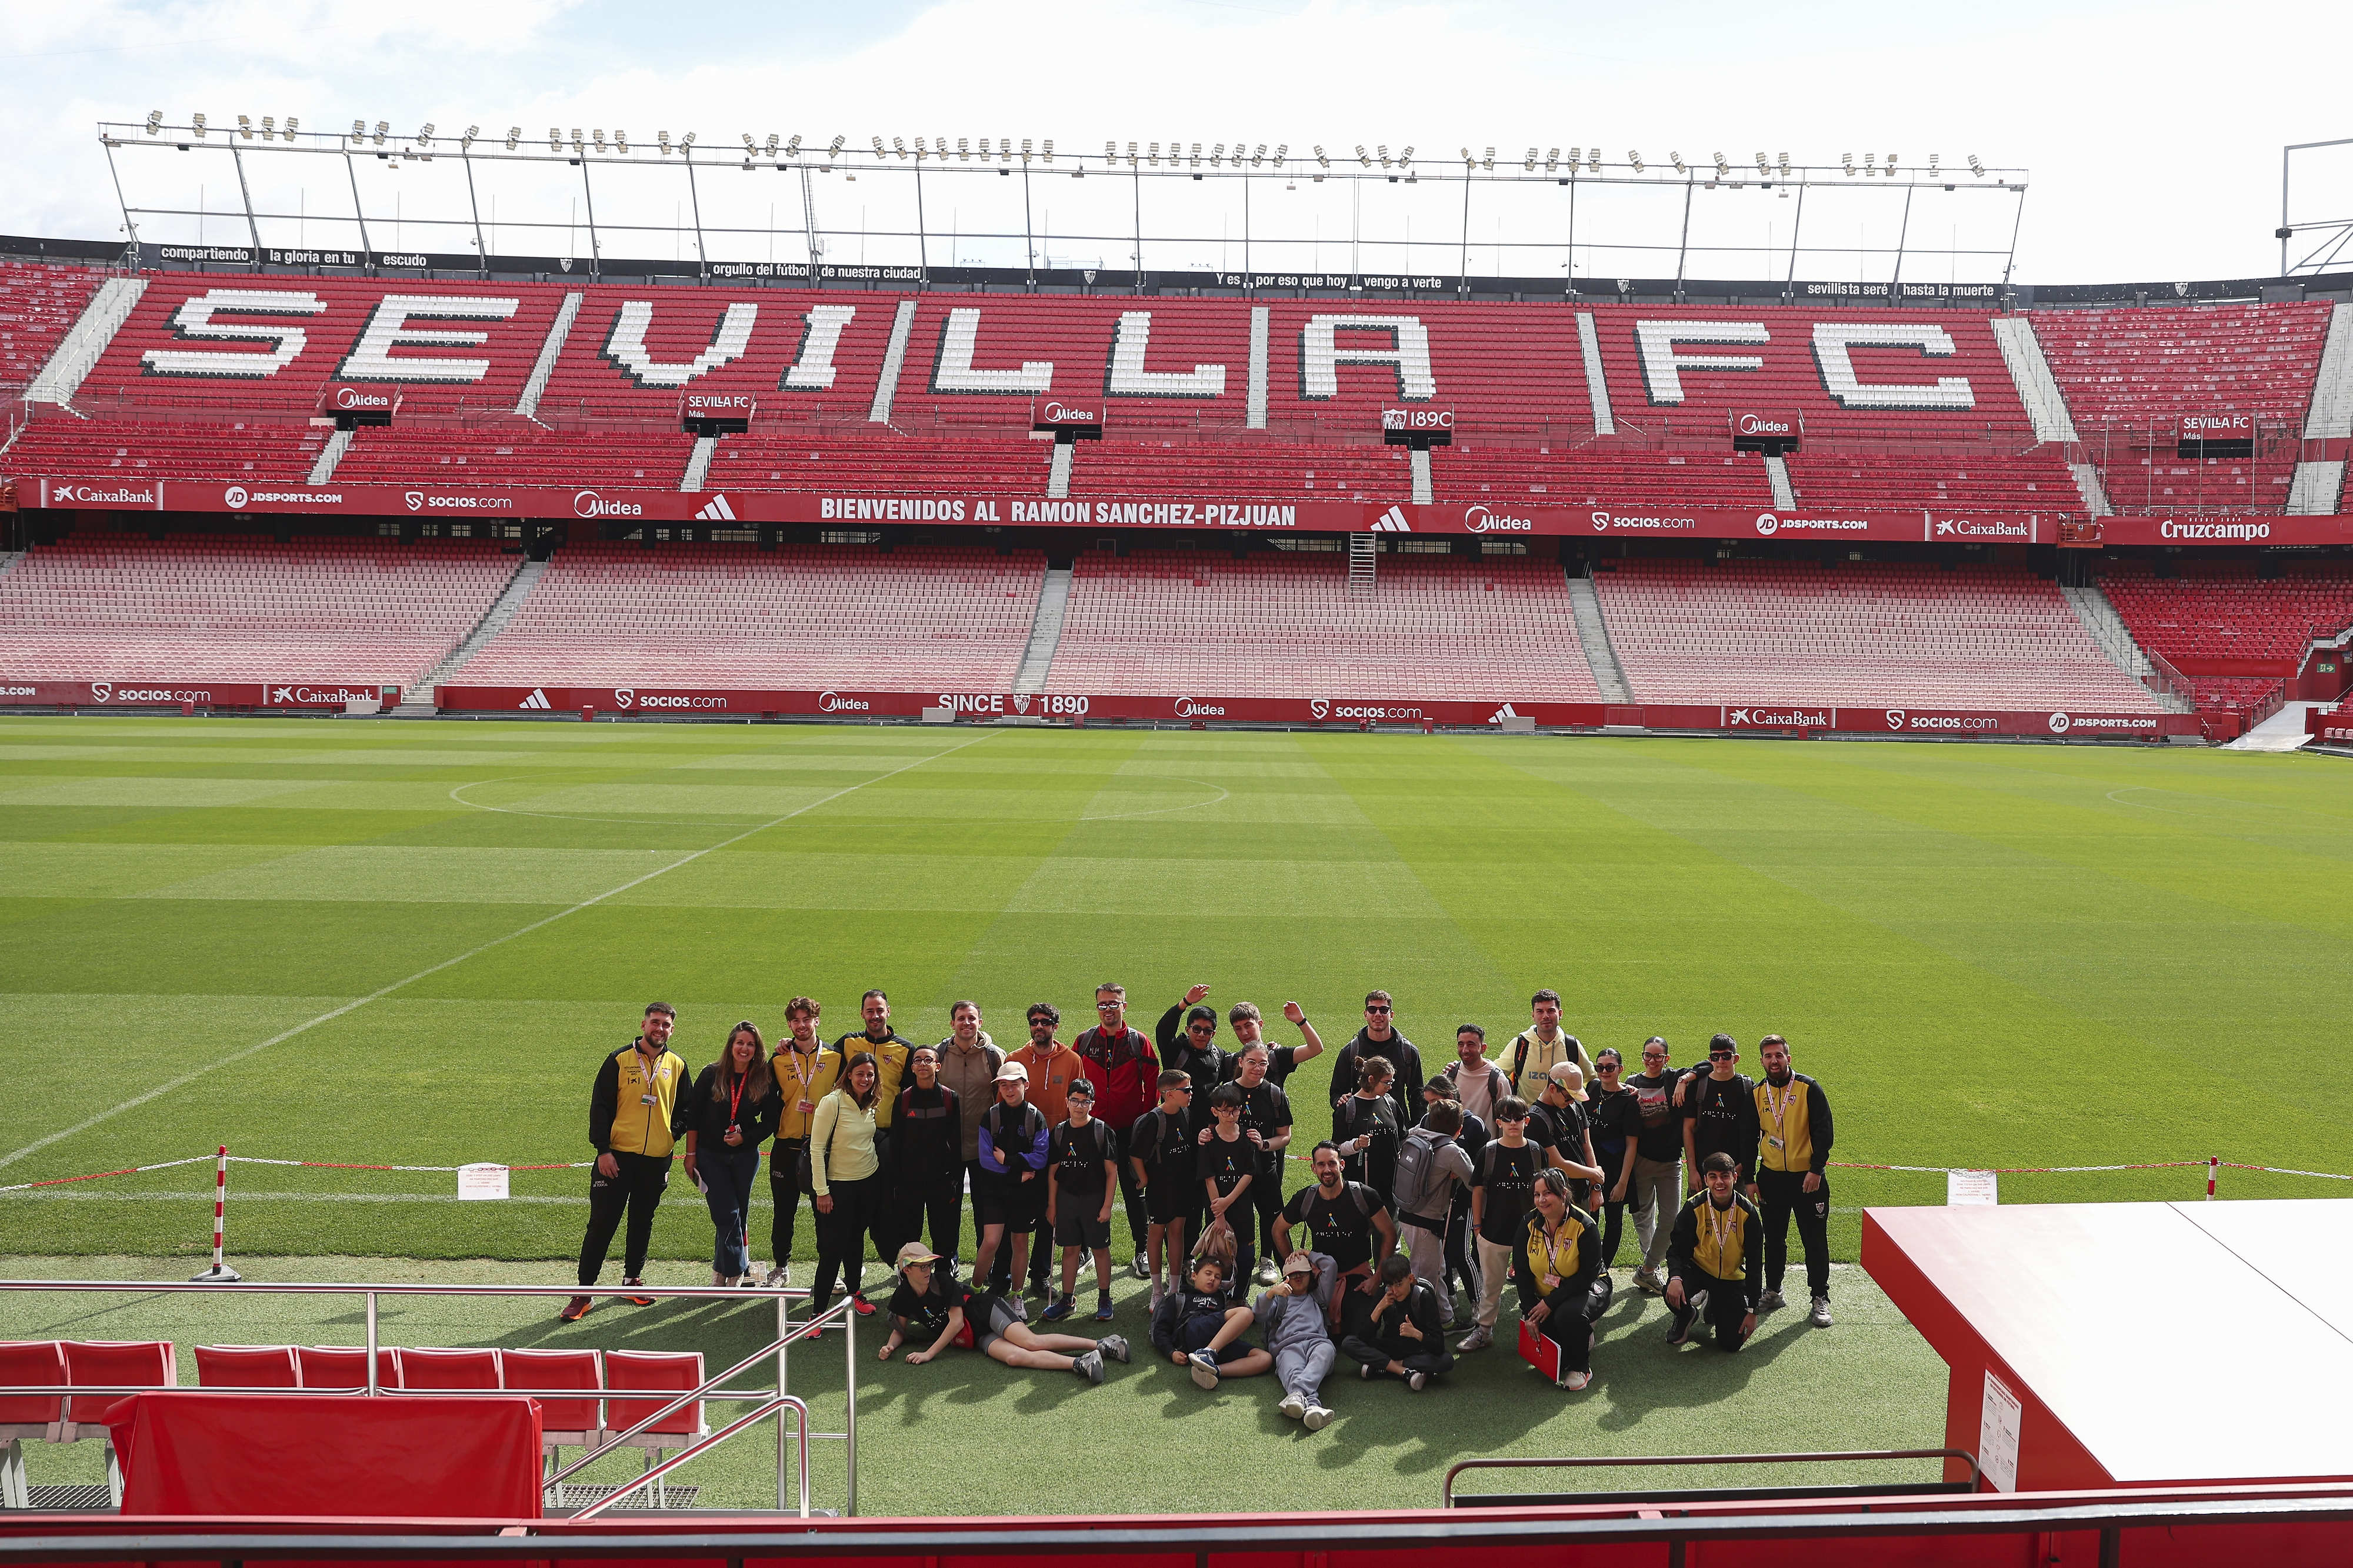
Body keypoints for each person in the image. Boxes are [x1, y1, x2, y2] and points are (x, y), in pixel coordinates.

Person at [564, 1003, 690, 1322]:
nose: (660, 1029)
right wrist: (603, 1150)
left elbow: (686, 1110)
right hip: (617, 1159)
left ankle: (632, 1278)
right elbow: (600, 1106)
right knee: (602, 1224)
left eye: (666, 1025)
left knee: (642, 1221)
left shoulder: (677, 1065)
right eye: (655, 1023)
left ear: (672, 1030)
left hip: (656, 1160)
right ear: (644, 1024)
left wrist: (670, 1136)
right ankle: (584, 1292)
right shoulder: (619, 1060)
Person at [878, 1243, 1128, 1384]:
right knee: (1014, 1358)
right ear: (906, 1270)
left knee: (1031, 1341)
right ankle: (1080, 1363)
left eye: (929, 1265)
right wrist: (890, 1347)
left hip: (985, 1311)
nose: (928, 1271)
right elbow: (899, 1328)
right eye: (922, 1267)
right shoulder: (903, 1296)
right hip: (975, 1336)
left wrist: (928, 1354)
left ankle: (1104, 1344)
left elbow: (955, 1323)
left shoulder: (942, 1280)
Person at [681, 1020, 780, 1287]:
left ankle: (721, 1269)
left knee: (738, 1213)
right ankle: (737, 1269)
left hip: (746, 1157)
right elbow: (693, 1118)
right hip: (710, 1155)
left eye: (751, 1044)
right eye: (740, 1043)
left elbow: (771, 1121)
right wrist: (690, 1156)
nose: (744, 1049)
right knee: (727, 1213)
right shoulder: (711, 1074)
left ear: (757, 1049)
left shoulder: (763, 1078)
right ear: (731, 1045)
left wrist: (745, 1138)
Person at [1074, 983, 1161, 1277]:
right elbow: (1075, 1081)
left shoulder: (1139, 1042)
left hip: (1129, 1131)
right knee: (1090, 1191)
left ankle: (1142, 1251)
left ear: (1125, 1006)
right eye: (1103, 1005)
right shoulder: (1084, 1040)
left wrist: (1143, 1122)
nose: (1108, 1009)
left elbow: (1153, 1083)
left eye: (1114, 1004)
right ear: (1096, 1007)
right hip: (1093, 1130)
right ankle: (1088, 1249)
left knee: (1136, 1191)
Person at [1752, 1034, 1835, 1329]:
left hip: (1807, 1180)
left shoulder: (1809, 1088)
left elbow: (1825, 1131)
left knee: (1814, 1240)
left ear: (1789, 1057)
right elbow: (1749, 1138)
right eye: (1768, 1056)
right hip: (1771, 1179)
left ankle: (1820, 1297)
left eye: (1779, 1055)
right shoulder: (1757, 1092)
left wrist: (1816, 1170)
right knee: (1773, 1238)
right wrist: (1750, 1179)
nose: (1774, 1061)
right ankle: (1774, 1291)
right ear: (1761, 1060)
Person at [1006, 1003, 1085, 1297]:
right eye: (1034, 1022)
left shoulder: (1072, 1059)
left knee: (1050, 1213)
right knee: (1018, 1212)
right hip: (1024, 1148)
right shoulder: (1016, 1059)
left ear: (1056, 1025)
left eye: (1046, 1022)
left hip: (1059, 1146)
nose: (1039, 1027)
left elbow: (1078, 1101)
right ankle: (1006, 1272)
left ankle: (1040, 1274)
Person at [762, 997, 838, 1289]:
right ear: (789, 1025)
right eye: (795, 1021)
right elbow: (769, 1101)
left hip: (822, 1147)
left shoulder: (835, 1056)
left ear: (817, 1021)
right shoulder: (779, 1059)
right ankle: (780, 1267)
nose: (801, 1026)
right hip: (786, 1145)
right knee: (783, 1211)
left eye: (807, 1019)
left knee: (825, 1212)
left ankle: (828, 1271)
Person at [1459, 1095, 1545, 1353]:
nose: (1513, 1123)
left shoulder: (1535, 1151)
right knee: (1491, 1286)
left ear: (1526, 1121)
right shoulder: (1489, 1151)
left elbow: (1546, 1191)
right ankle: (1484, 1331)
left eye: (1518, 1118)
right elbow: (1477, 1190)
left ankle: (1540, 1330)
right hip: (1493, 1232)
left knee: (1537, 1284)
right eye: (1507, 1119)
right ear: (1498, 1122)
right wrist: (1477, 1228)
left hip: (1531, 1234)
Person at [809, 1051, 886, 1329]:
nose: (865, 1079)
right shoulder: (833, 1102)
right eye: (860, 1073)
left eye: (870, 1074)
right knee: (831, 1250)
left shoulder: (872, 1102)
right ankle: (816, 1315)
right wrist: (822, 1191)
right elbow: (816, 1149)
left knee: (855, 1242)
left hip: (867, 1183)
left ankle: (855, 1294)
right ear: (849, 1075)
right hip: (837, 1188)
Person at [1274, 1142, 1398, 1313]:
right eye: (1321, 1164)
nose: (1327, 1170)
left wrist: (1378, 1278)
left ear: (1342, 1165)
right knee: (1310, 1326)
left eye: (1332, 1163)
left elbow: (1389, 1232)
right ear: (1313, 1168)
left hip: (1358, 1277)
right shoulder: (1305, 1198)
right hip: (1320, 1276)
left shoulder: (1364, 1195)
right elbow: (1278, 1230)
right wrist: (1295, 1268)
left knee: (1361, 1330)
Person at [1513, 1168, 1607, 1390]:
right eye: (1537, 1195)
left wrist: (1549, 1303)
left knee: (1567, 1316)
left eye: (1548, 1193)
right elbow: (1523, 1272)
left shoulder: (1585, 1225)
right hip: (1550, 1292)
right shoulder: (1528, 1224)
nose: (1541, 1200)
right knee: (1550, 1342)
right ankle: (1583, 1337)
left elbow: (1587, 1276)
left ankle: (1582, 1368)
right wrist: (1529, 1311)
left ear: (1563, 1193)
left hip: (1588, 1286)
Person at [1666, 1152, 1764, 1352]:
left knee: (1731, 1344)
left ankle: (1716, 1303)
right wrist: (1676, 1278)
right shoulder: (1694, 1207)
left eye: (1725, 1176)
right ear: (1706, 1180)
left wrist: (1753, 1310)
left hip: (1731, 1278)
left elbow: (1755, 1265)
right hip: (1699, 1271)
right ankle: (1687, 1315)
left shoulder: (1749, 1214)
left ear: (1735, 1178)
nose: (1719, 1182)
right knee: (1670, 1290)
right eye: (1713, 1176)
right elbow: (1677, 1249)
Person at [1392, 1099, 1474, 1327]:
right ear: (1459, 1129)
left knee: (1435, 1269)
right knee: (1427, 1276)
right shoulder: (1452, 1152)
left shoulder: (1415, 1135)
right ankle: (1432, 1321)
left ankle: (1443, 1318)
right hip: (1426, 1221)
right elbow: (1474, 1181)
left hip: (1407, 1212)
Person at [972, 1060, 1050, 1297]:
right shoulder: (991, 1116)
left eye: (1014, 1084)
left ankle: (1017, 1296)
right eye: (1004, 1085)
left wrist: (1008, 1160)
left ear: (1025, 1085)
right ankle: (973, 1292)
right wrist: (1018, 1174)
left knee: (1020, 1244)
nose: (1009, 1090)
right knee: (990, 1242)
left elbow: (1040, 1158)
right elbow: (987, 1160)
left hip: (1023, 1195)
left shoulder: (1036, 1117)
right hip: (998, 1191)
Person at [1225, 1031, 1297, 1285]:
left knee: (1271, 1216)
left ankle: (1268, 1260)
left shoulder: (1275, 1094)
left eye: (1263, 1063)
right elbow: (1213, 1129)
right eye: (1253, 1062)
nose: (1258, 1068)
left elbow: (1285, 1136)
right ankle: (1231, 1265)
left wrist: (1264, 1144)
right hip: (1232, 1170)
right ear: (1241, 1062)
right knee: (1237, 1218)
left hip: (1265, 1167)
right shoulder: (1226, 1092)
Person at [1044, 1078, 1119, 1323]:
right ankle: (1067, 1300)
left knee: (1099, 1249)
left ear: (1092, 1104)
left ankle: (1104, 1298)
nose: (1079, 1106)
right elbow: (1053, 1173)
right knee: (1070, 1249)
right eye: (1075, 1101)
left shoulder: (1102, 1130)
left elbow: (1111, 1172)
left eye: (1085, 1102)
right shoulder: (1059, 1131)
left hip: (1094, 1200)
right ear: (1067, 1102)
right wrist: (1052, 1205)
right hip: (1067, 1200)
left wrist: (1107, 1205)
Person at [937, 1005, 1005, 1256]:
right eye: (961, 1019)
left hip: (983, 1148)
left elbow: (1003, 1099)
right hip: (948, 1148)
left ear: (981, 1022)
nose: (967, 1023)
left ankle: (985, 1259)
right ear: (952, 1023)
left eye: (972, 1018)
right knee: (947, 1209)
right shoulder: (938, 1055)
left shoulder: (995, 1056)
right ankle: (948, 1259)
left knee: (985, 1208)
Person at [889, 1044, 964, 1275]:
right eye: (918, 1060)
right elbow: (896, 1144)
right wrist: (897, 1182)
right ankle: (909, 1272)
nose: (923, 1064)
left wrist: (955, 1180)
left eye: (928, 1060)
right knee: (910, 1232)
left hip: (941, 1181)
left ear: (937, 1066)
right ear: (912, 1067)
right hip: (910, 1182)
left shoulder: (951, 1098)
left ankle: (944, 1272)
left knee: (943, 1232)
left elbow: (957, 1143)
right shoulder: (903, 1100)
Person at [1622, 1036, 1688, 1294]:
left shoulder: (1673, 1079)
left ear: (1667, 1059)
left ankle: (1648, 1268)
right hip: (1640, 1162)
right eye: (1647, 1055)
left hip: (1671, 1163)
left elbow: (1705, 1066)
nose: (1652, 1061)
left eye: (1658, 1056)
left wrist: (1685, 1080)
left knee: (1671, 1218)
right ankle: (1653, 1271)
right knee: (1643, 1216)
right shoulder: (1632, 1084)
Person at [1150, 1254, 1274, 1390]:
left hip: (1218, 1342)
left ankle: (1213, 1370)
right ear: (1194, 1276)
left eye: (1217, 1277)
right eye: (1208, 1273)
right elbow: (1159, 1330)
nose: (1212, 1279)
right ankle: (1206, 1353)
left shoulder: (1222, 1298)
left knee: (1265, 1359)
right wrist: (1171, 1352)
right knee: (1246, 1313)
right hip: (1193, 1330)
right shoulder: (1179, 1297)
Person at [1129, 1069, 1198, 1312]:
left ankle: (1175, 1289)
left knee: (1177, 1232)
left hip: (1182, 1185)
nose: (1191, 1094)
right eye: (1186, 1090)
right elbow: (1136, 1155)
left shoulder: (1186, 1114)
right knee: (1157, 1235)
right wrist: (1145, 1178)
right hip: (1160, 1187)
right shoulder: (1153, 1120)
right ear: (1169, 1094)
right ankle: (1157, 1291)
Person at [830, 990, 913, 1179]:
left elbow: (910, 1093)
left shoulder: (905, 1049)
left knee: (887, 1194)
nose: (875, 1016)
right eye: (870, 1011)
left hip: (888, 1133)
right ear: (862, 1013)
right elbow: (821, 1055)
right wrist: (790, 1044)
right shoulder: (848, 1042)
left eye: (880, 1010)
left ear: (888, 1011)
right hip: (852, 1133)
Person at [1342, 1253, 1455, 1389]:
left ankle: (1384, 1368)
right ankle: (1406, 1372)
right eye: (1390, 1286)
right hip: (1390, 1347)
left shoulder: (1423, 1296)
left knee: (1447, 1361)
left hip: (1417, 1350)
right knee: (1349, 1343)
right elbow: (1364, 1337)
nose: (1395, 1291)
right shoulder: (1383, 1294)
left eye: (1399, 1284)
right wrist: (1380, 1308)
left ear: (1411, 1279)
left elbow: (1438, 1345)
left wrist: (1416, 1334)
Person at [1257, 1249, 1341, 1429]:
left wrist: (1307, 1253)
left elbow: (1330, 1265)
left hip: (1318, 1342)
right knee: (1291, 1367)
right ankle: (1313, 1407)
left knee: (1326, 1352)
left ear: (1310, 1275)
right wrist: (1272, 1293)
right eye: (1292, 1274)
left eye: (1302, 1273)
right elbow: (1259, 1314)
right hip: (1287, 1347)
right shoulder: (1280, 1301)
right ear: (1285, 1278)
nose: (1297, 1277)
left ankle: (1296, 1393)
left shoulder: (1319, 1296)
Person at [1196, 1083, 1259, 1301]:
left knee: (1247, 1253)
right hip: (1215, 1208)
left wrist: (1228, 1201)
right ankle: (1215, 1295)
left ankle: (1240, 1295)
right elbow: (1209, 1177)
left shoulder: (1248, 1138)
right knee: (1217, 1253)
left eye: (1235, 1110)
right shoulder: (1209, 1139)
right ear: (1215, 1112)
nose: (1231, 1115)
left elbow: (1249, 1174)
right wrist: (1219, 1214)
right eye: (1225, 1111)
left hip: (1241, 1205)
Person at [1327, 990, 1421, 1129]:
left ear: (1392, 1015)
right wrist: (1339, 1100)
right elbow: (1336, 1092)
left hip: (1397, 1128)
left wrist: (1416, 1130)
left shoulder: (1408, 1052)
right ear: (1366, 1014)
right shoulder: (1350, 1052)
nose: (1378, 1014)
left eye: (1384, 1010)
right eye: (1372, 1010)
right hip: (1359, 1128)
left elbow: (1417, 1094)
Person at [1679, 1033, 1761, 1188]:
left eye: (1726, 1056)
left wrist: (1739, 1169)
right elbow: (1688, 1129)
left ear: (1736, 1058)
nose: (1721, 1061)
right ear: (1710, 1060)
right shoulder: (1697, 1087)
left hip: (1736, 1174)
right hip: (1703, 1174)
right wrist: (1692, 1170)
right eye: (1715, 1057)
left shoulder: (1748, 1088)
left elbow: (1757, 1133)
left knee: (1735, 1213)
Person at [1585, 1048, 1639, 1270]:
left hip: (1615, 1171)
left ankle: (1603, 1268)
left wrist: (1623, 1182)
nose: (1604, 1071)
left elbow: (1631, 1145)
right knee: (1589, 1220)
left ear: (1620, 1069)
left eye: (1610, 1067)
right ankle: (1587, 1266)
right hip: (1589, 1168)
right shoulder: (1592, 1088)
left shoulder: (1629, 1100)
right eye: (1600, 1067)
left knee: (1614, 1221)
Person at [1329, 1057, 1402, 1206]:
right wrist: (1356, 1144)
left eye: (1392, 1082)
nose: (1390, 1087)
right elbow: (1337, 1149)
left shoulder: (1391, 1104)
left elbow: (1403, 1137)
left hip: (1392, 1191)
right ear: (1371, 1079)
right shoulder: (1346, 1110)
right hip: (1360, 1194)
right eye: (1387, 1083)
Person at [1504, 990, 1595, 1104]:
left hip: (1564, 1117)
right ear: (1533, 1015)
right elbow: (1496, 1074)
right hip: (1528, 1118)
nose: (1545, 1016)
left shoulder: (1571, 1045)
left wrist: (1617, 1087)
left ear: (1560, 1014)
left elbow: (1592, 1078)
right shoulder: (1520, 1044)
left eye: (1551, 1011)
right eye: (1540, 1011)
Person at [1440, 1024, 1512, 1131]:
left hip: (1486, 1147)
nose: (1465, 1050)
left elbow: (1507, 1120)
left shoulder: (1497, 1080)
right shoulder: (1450, 1074)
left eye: (1471, 1045)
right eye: (1461, 1044)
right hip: (1455, 1146)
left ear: (1483, 1048)